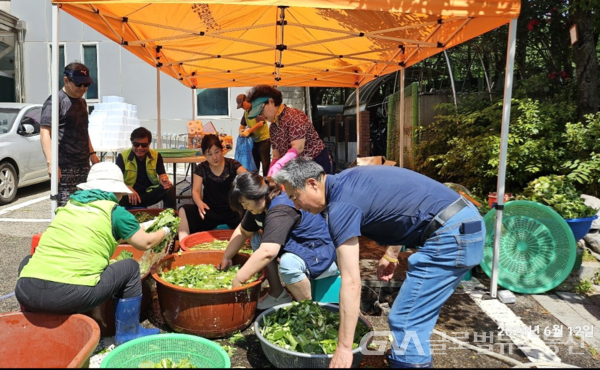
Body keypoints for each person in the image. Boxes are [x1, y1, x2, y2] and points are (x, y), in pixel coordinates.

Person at [274, 158, 485, 368]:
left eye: (295, 197)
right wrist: (391, 253)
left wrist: (344, 348)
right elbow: (400, 205)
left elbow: (351, 281)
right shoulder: (347, 179)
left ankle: (409, 362)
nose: (296, 206)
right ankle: (408, 357)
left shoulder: (340, 206)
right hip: (461, 221)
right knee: (416, 315)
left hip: (452, 235)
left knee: (406, 320)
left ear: (312, 183)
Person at [15, 162, 171, 345]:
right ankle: (129, 333)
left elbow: (103, 234)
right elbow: (146, 243)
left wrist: (142, 226)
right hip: (71, 296)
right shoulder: (115, 211)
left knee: (30, 260)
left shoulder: (69, 207)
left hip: (26, 291)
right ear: (116, 192)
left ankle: (32, 321)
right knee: (129, 267)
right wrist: (166, 230)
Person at [219, 172, 339, 310]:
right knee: (258, 238)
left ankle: (307, 309)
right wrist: (226, 257)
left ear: (258, 196)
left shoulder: (280, 209)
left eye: (245, 203)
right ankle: (278, 294)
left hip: (322, 256)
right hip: (298, 247)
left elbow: (268, 252)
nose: (245, 208)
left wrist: (239, 279)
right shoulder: (259, 206)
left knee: (287, 262)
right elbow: (243, 231)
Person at [40, 62, 100, 207]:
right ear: (66, 80)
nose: (83, 88)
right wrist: (51, 163)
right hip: (65, 165)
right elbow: (44, 133)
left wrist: (92, 154)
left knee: (84, 205)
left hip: (83, 163)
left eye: (86, 85)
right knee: (66, 208)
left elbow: (83, 130)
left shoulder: (82, 102)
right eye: (79, 84)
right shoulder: (55, 101)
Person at [245, 85, 332, 176]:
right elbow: (276, 155)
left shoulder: (294, 116)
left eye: (260, 111)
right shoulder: (273, 127)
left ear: (271, 102)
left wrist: (279, 164)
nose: (260, 116)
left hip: (317, 163)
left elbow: (298, 147)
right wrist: (270, 174)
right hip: (299, 169)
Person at [178, 134, 247, 240]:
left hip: (233, 211)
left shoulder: (232, 164)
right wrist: (200, 203)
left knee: (253, 209)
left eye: (217, 152)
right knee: (183, 210)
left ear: (222, 150)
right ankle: (183, 247)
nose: (215, 157)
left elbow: (249, 178)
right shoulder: (201, 168)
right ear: (204, 155)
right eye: (209, 154)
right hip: (210, 211)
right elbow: (195, 191)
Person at [116, 127, 176, 209]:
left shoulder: (156, 155)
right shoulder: (122, 157)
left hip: (147, 194)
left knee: (169, 188)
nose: (140, 148)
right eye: (136, 144)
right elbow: (115, 181)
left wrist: (164, 180)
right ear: (132, 143)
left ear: (149, 144)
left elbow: (162, 175)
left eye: (144, 145)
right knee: (114, 195)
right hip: (129, 195)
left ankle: (170, 216)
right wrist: (129, 189)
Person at [236, 93, 271, 176]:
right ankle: (256, 183)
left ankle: (267, 183)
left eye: (242, 105)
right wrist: (241, 132)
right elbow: (242, 125)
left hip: (263, 140)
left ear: (247, 100)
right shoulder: (246, 112)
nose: (243, 108)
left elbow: (260, 123)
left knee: (265, 163)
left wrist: (249, 131)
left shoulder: (257, 108)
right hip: (254, 141)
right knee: (255, 164)